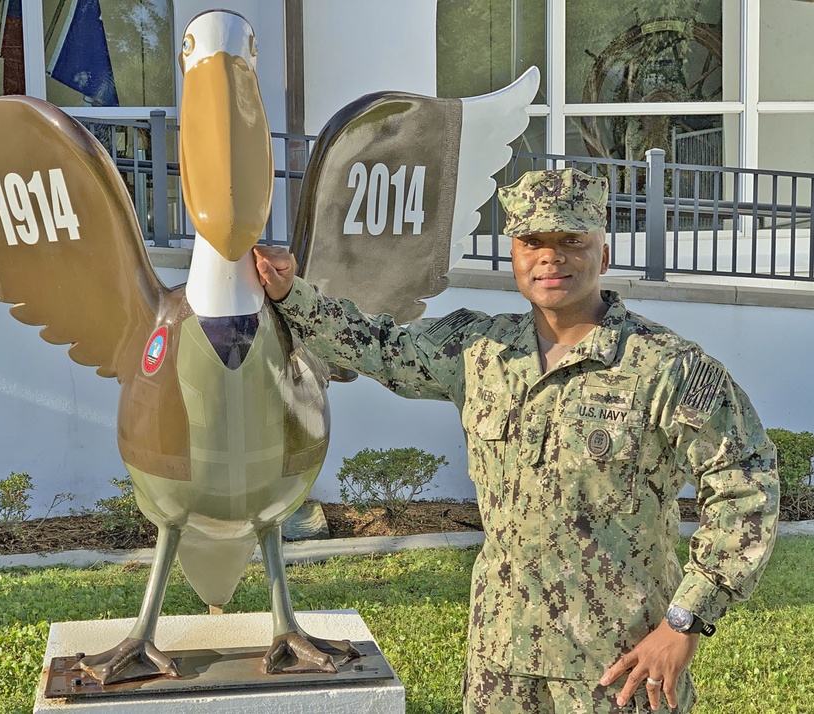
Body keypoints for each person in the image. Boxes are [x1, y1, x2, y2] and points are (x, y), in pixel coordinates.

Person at [252, 168, 779, 714]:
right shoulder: (478, 351)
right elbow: (377, 347)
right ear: (514, 256)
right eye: (534, 242)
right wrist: (293, 293)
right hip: (501, 660)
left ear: (603, 255)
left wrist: (685, 623)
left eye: (572, 240)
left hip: (617, 665)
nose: (552, 257)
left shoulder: (664, 366)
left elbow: (747, 488)